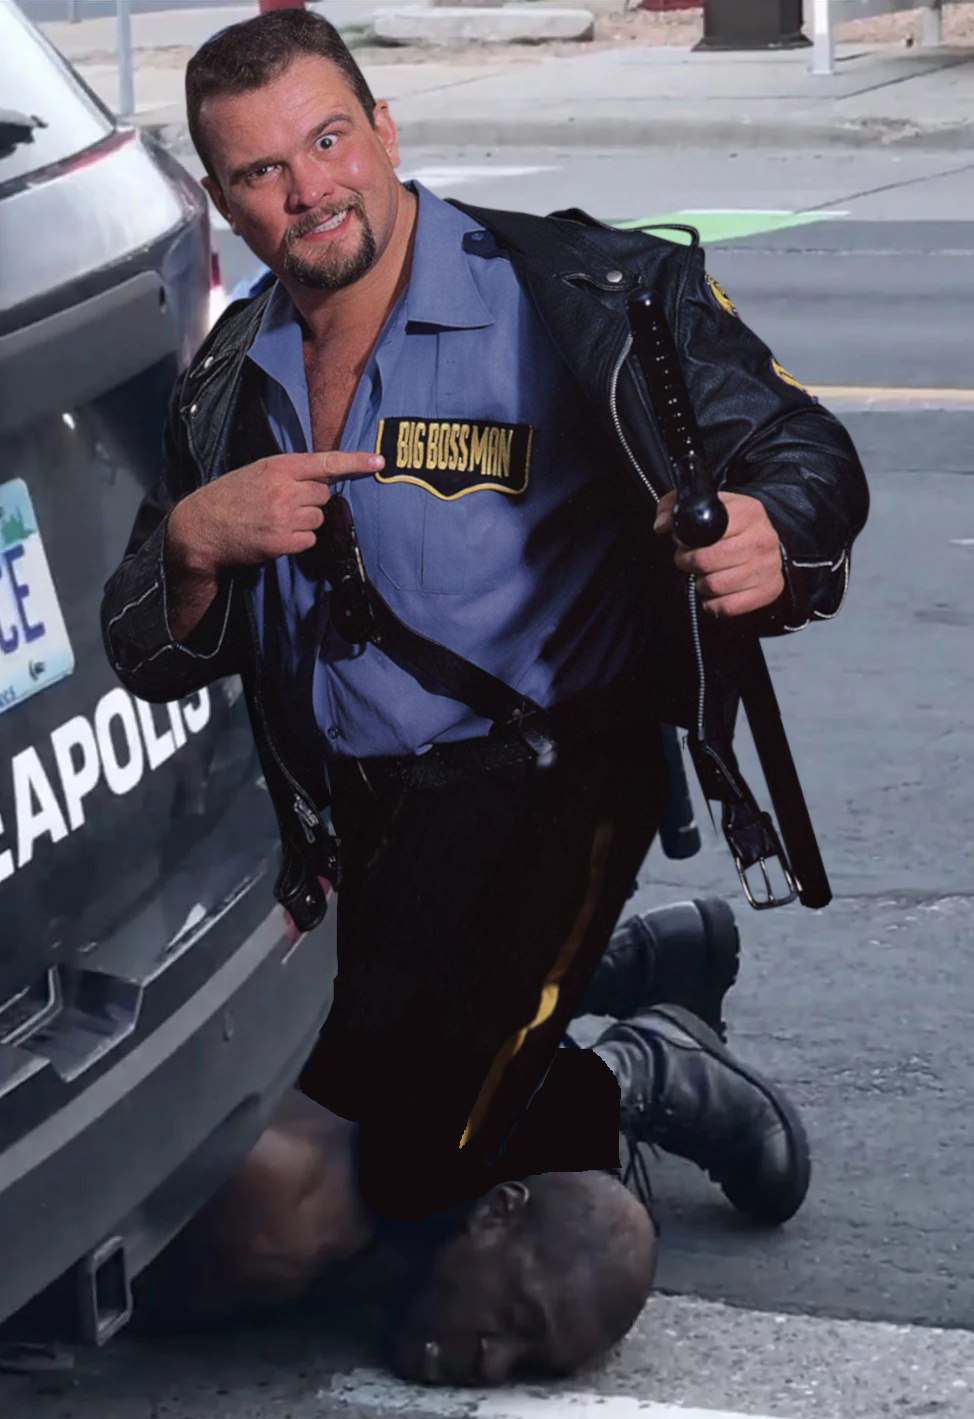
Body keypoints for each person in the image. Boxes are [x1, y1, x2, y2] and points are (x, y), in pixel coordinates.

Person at [100, 9, 869, 1222]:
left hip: (551, 777)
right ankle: (636, 967)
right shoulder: (229, 375)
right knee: (296, 1098)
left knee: (406, 1165)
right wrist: (194, 542)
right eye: (261, 171)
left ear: (384, 129)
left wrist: (774, 527)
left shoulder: (578, 296)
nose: (309, 190)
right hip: (351, 817)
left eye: (329, 140)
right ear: (224, 201)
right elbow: (145, 650)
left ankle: (647, 1075)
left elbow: (800, 448)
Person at [133, 901, 810, 1386]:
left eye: (528, 1366)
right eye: (516, 1316)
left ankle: (606, 987)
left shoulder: (325, 1221)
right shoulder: (276, 1224)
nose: (493, 1362)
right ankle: (627, 1070)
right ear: (492, 1213)